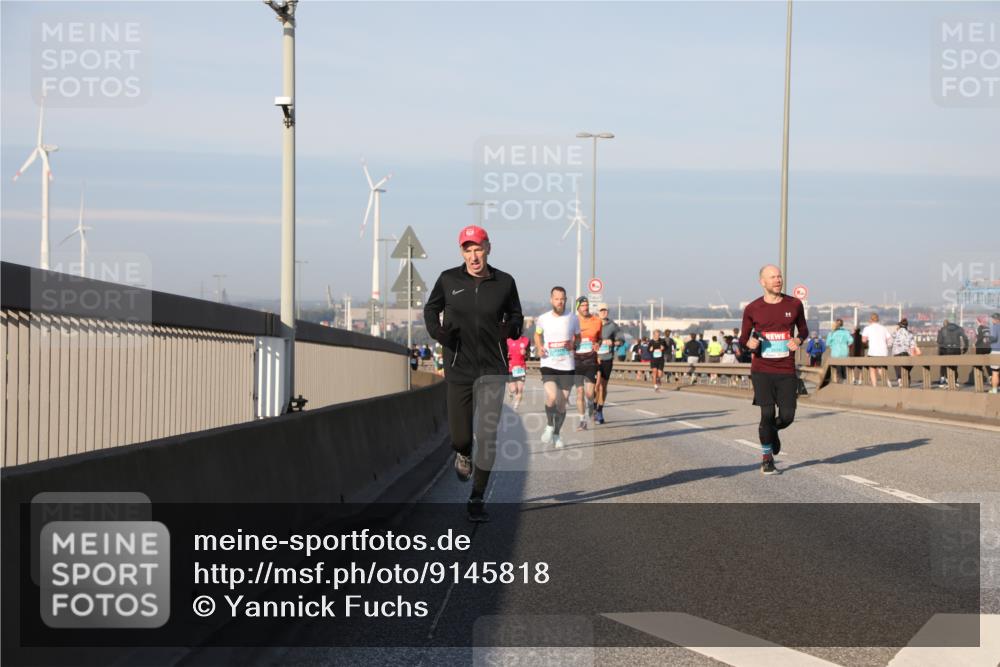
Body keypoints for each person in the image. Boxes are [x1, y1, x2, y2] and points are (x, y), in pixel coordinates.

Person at [424, 225, 523, 522]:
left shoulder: (504, 282)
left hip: (493, 369)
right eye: (467, 249)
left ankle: (477, 497)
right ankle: (463, 452)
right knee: (460, 435)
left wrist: (512, 327)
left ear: (488, 248)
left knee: (488, 435)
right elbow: (431, 310)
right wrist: (439, 334)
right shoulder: (448, 279)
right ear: (462, 252)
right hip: (459, 367)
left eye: (478, 247)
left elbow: (516, 313)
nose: (473, 254)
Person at [739, 264, 808, 475]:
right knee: (767, 413)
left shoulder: (794, 304)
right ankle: (767, 458)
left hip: (786, 368)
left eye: (779, 276)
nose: (778, 280)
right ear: (763, 282)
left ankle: (773, 431)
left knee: (787, 416)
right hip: (762, 369)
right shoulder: (752, 308)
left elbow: (803, 328)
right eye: (773, 277)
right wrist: (748, 343)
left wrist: (798, 338)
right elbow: (743, 338)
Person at [534, 286, 580, 450]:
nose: (560, 302)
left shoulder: (573, 319)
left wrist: (573, 344)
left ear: (566, 300)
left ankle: (556, 434)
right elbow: (537, 334)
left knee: (562, 404)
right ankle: (549, 425)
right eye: (557, 298)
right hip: (549, 364)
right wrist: (539, 347)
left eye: (562, 299)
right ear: (551, 299)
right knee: (552, 397)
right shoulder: (543, 319)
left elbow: (579, 339)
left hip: (567, 366)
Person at [573, 296, 602, 431]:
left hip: (590, 360)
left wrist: (598, 344)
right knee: (579, 392)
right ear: (578, 307)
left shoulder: (597, 321)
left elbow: (600, 339)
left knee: (590, 393)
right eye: (583, 305)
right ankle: (582, 420)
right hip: (576, 361)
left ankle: (591, 404)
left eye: (587, 305)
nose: (585, 307)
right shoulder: (572, 321)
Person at [595, 305, 621, 424]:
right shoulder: (593, 323)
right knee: (596, 385)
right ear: (598, 312)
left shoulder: (613, 326)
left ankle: (599, 410)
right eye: (601, 310)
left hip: (607, 358)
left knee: (603, 386)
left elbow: (621, 340)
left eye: (605, 310)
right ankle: (594, 405)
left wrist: (614, 342)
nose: (603, 312)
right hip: (594, 359)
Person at [861, 313, 892, 387]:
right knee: (881, 369)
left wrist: (868, 339)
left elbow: (863, 340)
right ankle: (888, 382)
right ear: (878, 320)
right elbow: (890, 339)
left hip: (873, 351)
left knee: (872, 369)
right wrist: (887, 345)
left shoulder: (867, 328)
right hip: (883, 351)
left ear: (870, 320)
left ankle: (874, 385)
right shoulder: (883, 328)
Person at [936, 319, 969, 388]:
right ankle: (955, 381)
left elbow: (939, 341)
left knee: (945, 365)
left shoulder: (943, 330)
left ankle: (946, 381)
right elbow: (965, 338)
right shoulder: (958, 328)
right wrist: (965, 348)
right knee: (954, 366)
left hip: (946, 350)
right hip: (957, 350)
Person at [889, 318, 917, 387]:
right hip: (906, 354)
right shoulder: (910, 334)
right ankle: (906, 381)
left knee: (898, 369)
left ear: (899, 325)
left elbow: (889, 344)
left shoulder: (895, 333)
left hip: (896, 354)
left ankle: (900, 380)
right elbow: (913, 346)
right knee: (906, 369)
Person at [506, 332, 530, 409]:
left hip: (521, 368)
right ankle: (510, 392)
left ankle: (516, 405)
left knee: (520, 389)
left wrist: (525, 353)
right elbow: (503, 352)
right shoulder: (508, 340)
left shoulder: (526, 340)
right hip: (511, 368)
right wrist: (507, 354)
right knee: (513, 389)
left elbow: (528, 354)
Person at [825, 319, 853, 383]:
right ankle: (844, 381)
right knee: (843, 367)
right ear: (842, 324)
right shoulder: (846, 332)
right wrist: (846, 345)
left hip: (835, 353)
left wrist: (832, 346)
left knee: (837, 368)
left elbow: (827, 343)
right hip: (844, 352)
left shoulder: (832, 333)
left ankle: (838, 382)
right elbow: (851, 340)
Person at [989, 313, 1000, 394]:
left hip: (996, 350)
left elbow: (994, 337)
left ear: (995, 319)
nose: (991, 320)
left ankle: (994, 389)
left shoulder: (994, 326)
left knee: (995, 372)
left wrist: (987, 339)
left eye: (992, 319)